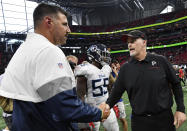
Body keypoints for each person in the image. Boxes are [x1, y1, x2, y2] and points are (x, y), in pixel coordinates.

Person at [0, 3, 110, 131]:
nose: (69, 29)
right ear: (48, 22)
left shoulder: (24, 49)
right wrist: (98, 113)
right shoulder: (48, 50)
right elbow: (64, 107)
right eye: (64, 24)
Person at [106, 30, 187, 131]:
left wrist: (181, 109)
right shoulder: (125, 69)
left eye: (133, 40)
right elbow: (116, 93)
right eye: (128, 42)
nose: (129, 44)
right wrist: (107, 107)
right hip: (139, 122)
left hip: (164, 120)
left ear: (144, 42)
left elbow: (176, 84)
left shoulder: (161, 61)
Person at [74, 44, 119, 131]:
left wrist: (112, 103)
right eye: (104, 55)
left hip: (106, 105)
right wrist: (83, 117)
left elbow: (111, 86)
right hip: (91, 108)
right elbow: (80, 96)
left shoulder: (106, 68)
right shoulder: (85, 69)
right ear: (94, 55)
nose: (106, 57)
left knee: (115, 129)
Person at [109, 60, 128, 131]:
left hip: (119, 100)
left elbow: (122, 82)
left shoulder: (119, 73)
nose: (118, 65)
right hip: (110, 100)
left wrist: (115, 72)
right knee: (108, 123)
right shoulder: (108, 74)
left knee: (123, 120)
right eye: (117, 64)